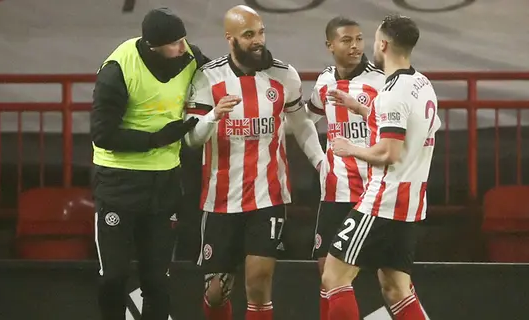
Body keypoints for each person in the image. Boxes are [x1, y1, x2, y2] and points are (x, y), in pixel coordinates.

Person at [183, 5, 325, 320]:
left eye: (261, 32)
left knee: (259, 283)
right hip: (220, 201)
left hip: (268, 196)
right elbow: (191, 139)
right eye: (249, 35)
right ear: (230, 38)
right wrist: (212, 116)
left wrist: (321, 162)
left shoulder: (284, 75)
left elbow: (301, 124)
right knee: (217, 292)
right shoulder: (208, 77)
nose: (258, 40)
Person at [90, 7, 210, 320]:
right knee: (113, 277)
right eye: (175, 43)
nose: (184, 48)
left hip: (164, 183)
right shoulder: (118, 68)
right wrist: (158, 139)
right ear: (153, 45)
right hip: (118, 182)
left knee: (158, 280)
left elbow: (224, 74)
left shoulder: (190, 57)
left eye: (185, 39)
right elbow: (103, 135)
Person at [320, 14, 439, 320]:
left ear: (383, 44)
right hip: (412, 202)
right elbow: (420, 129)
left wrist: (350, 149)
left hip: (383, 200)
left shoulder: (390, 94)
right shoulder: (422, 83)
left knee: (334, 276)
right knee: (396, 288)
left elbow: (389, 153)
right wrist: (360, 107)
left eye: (371, 39)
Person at [306, 17, 385, 315]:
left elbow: (395, 129)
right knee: (327, 274)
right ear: (330, 45)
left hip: (373, 192)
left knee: (389, 280)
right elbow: (305, 120)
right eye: (346, 40)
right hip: (335, 191)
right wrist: (317, 158)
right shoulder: (325, 81)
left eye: (359, 39)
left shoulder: (381, 81)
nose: (355, 46)